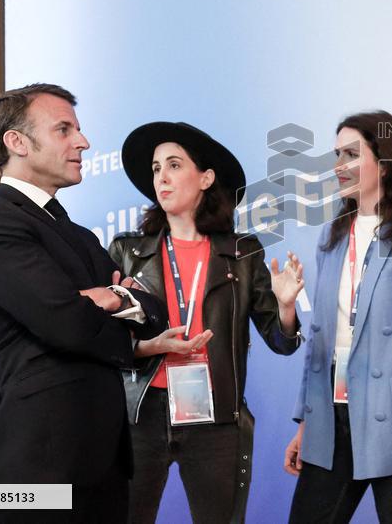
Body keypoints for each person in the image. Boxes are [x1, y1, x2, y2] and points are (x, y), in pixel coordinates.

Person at [0, 84, 167, 523]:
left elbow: (153, 315)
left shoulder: (81, 237)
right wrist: (112, 302)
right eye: (64, 129)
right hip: (36, 466)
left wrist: (110, 298)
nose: (83, 142)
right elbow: (66, 323)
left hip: (104, 462)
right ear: (16, 142)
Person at [109, 121, 304, 523]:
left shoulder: (242, 253)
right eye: (156, 167)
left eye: (175, 165)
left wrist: (285, 307)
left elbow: (282, 341)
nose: (161, 176)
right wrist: (147, 346)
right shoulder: (128, 251)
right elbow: (101, 340)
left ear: (206, 178)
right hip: (141, 414)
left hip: (216, 416)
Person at [284, 111, 392, 524]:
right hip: (331, 422)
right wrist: (307, 421)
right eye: (336, 155)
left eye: (350, 153)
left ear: (385, 162)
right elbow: (322, 341)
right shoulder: (331, 237)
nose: (338, 166)